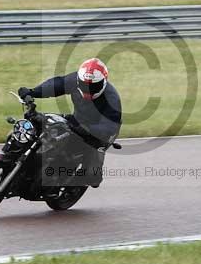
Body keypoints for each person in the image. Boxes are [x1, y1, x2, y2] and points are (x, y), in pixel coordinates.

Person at [17, 58, 122, 188]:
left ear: (103, 83)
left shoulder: (112, 99)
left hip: (100, 132)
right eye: (85, 85)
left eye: (93, 86)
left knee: (92, 176)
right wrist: (33, 92)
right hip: (77, 120)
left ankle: (79, 179)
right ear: (79, 81)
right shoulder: (75, 80)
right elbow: (56, 85)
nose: (88, 90)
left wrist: (85, 129)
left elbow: (109, 127)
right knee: (46, 130)